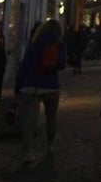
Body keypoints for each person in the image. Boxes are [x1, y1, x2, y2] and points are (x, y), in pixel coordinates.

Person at [14, 18, 67, 165]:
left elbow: (24, 67)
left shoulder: (34, 44)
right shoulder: (60, 44)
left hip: (30, 85)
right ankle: (50, 146)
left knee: (29, 120)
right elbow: (62, 64)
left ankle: (28, 151)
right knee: (51, 118)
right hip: (50, 85)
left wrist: (17, 88)